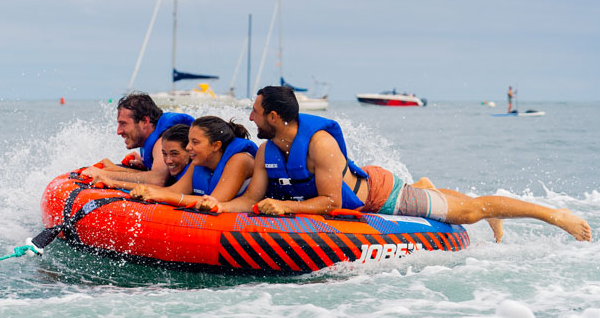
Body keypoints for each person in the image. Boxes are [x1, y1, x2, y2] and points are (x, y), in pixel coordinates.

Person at [198, 86, 592, 243]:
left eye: (255, 111)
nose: (250, 117)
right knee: (440, 198)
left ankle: (554, 215)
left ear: (275, 117)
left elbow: (330, 203)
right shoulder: (269, 152)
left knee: (470, 211)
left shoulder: (320, 145)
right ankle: (426, 185)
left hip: (383, 198)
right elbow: (250, 199)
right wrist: (217, 206)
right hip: (366, 188)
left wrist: (285, 206)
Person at [94, 116, 258, 208]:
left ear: (216, 146)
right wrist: (114, 183)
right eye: (189, 141)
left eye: (195, 142)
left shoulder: (240, 160)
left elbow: (214, 202)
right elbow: (173, 191)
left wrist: (158, 195)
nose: (188, 147)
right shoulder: (199, 162)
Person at [83, 93, 194, 186]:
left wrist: (104, 175)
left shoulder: (163, 140)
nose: (119, 131)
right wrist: (117, 169)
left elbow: (157, 180)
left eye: (123, 124)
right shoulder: (155, 138)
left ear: (145, 121)